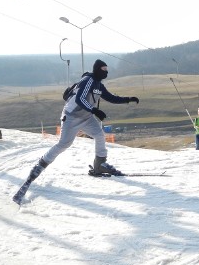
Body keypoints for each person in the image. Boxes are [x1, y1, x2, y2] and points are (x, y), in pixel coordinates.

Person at [12, 59, 140, 204]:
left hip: (86, 117)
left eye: (107, 69)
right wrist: (94, 110)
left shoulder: (99, 85)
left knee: (99, 135)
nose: (106, 72)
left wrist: (128, 99)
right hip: (71, 117)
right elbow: (79, 99)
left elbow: (111, 98)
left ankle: (100, 165)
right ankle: (39, 166)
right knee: (64, 144)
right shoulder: (88, 81)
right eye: (103, 69)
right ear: (97, 69)